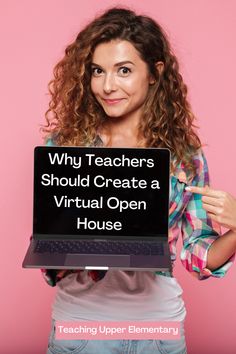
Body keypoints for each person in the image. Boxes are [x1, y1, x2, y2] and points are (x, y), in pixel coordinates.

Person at [41, 7, 236, 354]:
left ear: (154, 73)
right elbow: (51, 261)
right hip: (82, 326)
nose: (107, 86)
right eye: (97, 71)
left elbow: (198, 256)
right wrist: (69, 237)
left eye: (124, 70)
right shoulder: (67, 148)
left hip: (158, 328)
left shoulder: (183, 156)